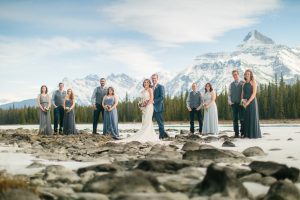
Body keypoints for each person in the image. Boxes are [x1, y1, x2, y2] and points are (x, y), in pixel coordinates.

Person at [241, 69, 262, 139]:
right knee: (246, 117)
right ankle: (247, 134)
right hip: (245, 102)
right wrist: (243, 102)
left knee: (252, 117)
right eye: (246, 74)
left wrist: (248, 102)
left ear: (251, 75)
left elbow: (254, 94)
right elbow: (242, 94)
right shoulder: (243, 83)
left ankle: (254, 134)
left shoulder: (253, 82)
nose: (247, 75)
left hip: (252, 102)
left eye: (248, 74)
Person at [228, 70, 245, 138]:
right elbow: (229, 94)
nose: (235, 76)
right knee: (235, 119)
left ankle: (243, 132)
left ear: (238, 74)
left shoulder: (242, 83)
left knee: (242, 119)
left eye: (236, 74)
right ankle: (236, 133)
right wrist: (230, 102)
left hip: (241, 104)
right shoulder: (231, 85)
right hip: (234, 104)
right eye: (233, 75)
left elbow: (245, 92)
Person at [152, 74, 169, 139]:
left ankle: (161, 137)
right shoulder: (150, 87)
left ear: (157, 79)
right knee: (148, 122)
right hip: (150, 108)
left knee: (160, 123)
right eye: (153, 78)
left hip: (158, 108)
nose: (154, 80)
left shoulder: (161, 87)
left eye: (155, 78)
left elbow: (162, 97)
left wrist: (154, 101)